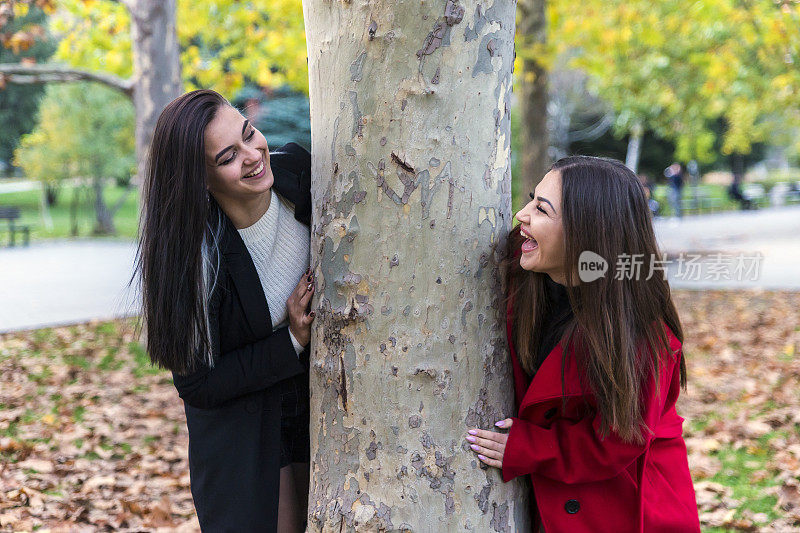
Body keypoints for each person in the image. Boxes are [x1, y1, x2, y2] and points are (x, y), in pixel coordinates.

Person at [465, 156, 700, 532]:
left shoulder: (642, 335)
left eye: (541, 209)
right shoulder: (527, 265)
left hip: (621, 503)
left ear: (586, 233)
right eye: (531, 199)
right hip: (553, 496)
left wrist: (529, 448)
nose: (521, 215)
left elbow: (618, 441)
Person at [134, 89, 315, 532]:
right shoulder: (193, 257)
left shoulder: (300, 175)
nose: (254, 155)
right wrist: (290, 339)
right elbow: (197, 384)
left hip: (318, 404)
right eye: (228, 156)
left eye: (250, 134)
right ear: (200, 179)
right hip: (242, 429)